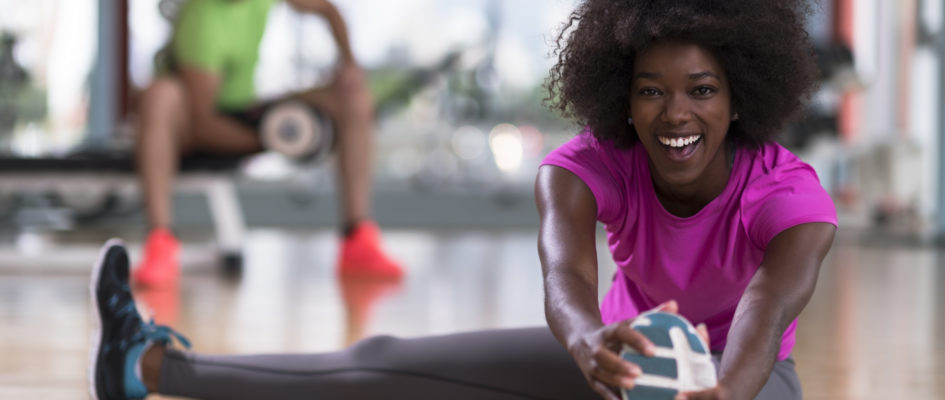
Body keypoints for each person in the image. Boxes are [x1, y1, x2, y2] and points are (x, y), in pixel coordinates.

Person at [90, 1, 837, 399]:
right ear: (624, 100)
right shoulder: (583, 167)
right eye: (652, 92)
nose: (676, 115)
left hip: (748, 381)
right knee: (380, 361)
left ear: (739, 98)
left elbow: (763, 307)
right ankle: (148, 366)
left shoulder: (786, 192)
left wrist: (724, 393)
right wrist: (587, 348)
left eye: (701, 92)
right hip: (614, 361)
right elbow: (564, 279)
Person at [133, 0, 402, 287]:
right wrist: (276, 139)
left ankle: (357, 240)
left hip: (247, 108)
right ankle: (160, 242)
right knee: (160, 95)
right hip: (198, 124)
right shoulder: (201, 19)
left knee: (355, 100)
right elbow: (204, 125)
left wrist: (349, 63)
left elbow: (328, 10)